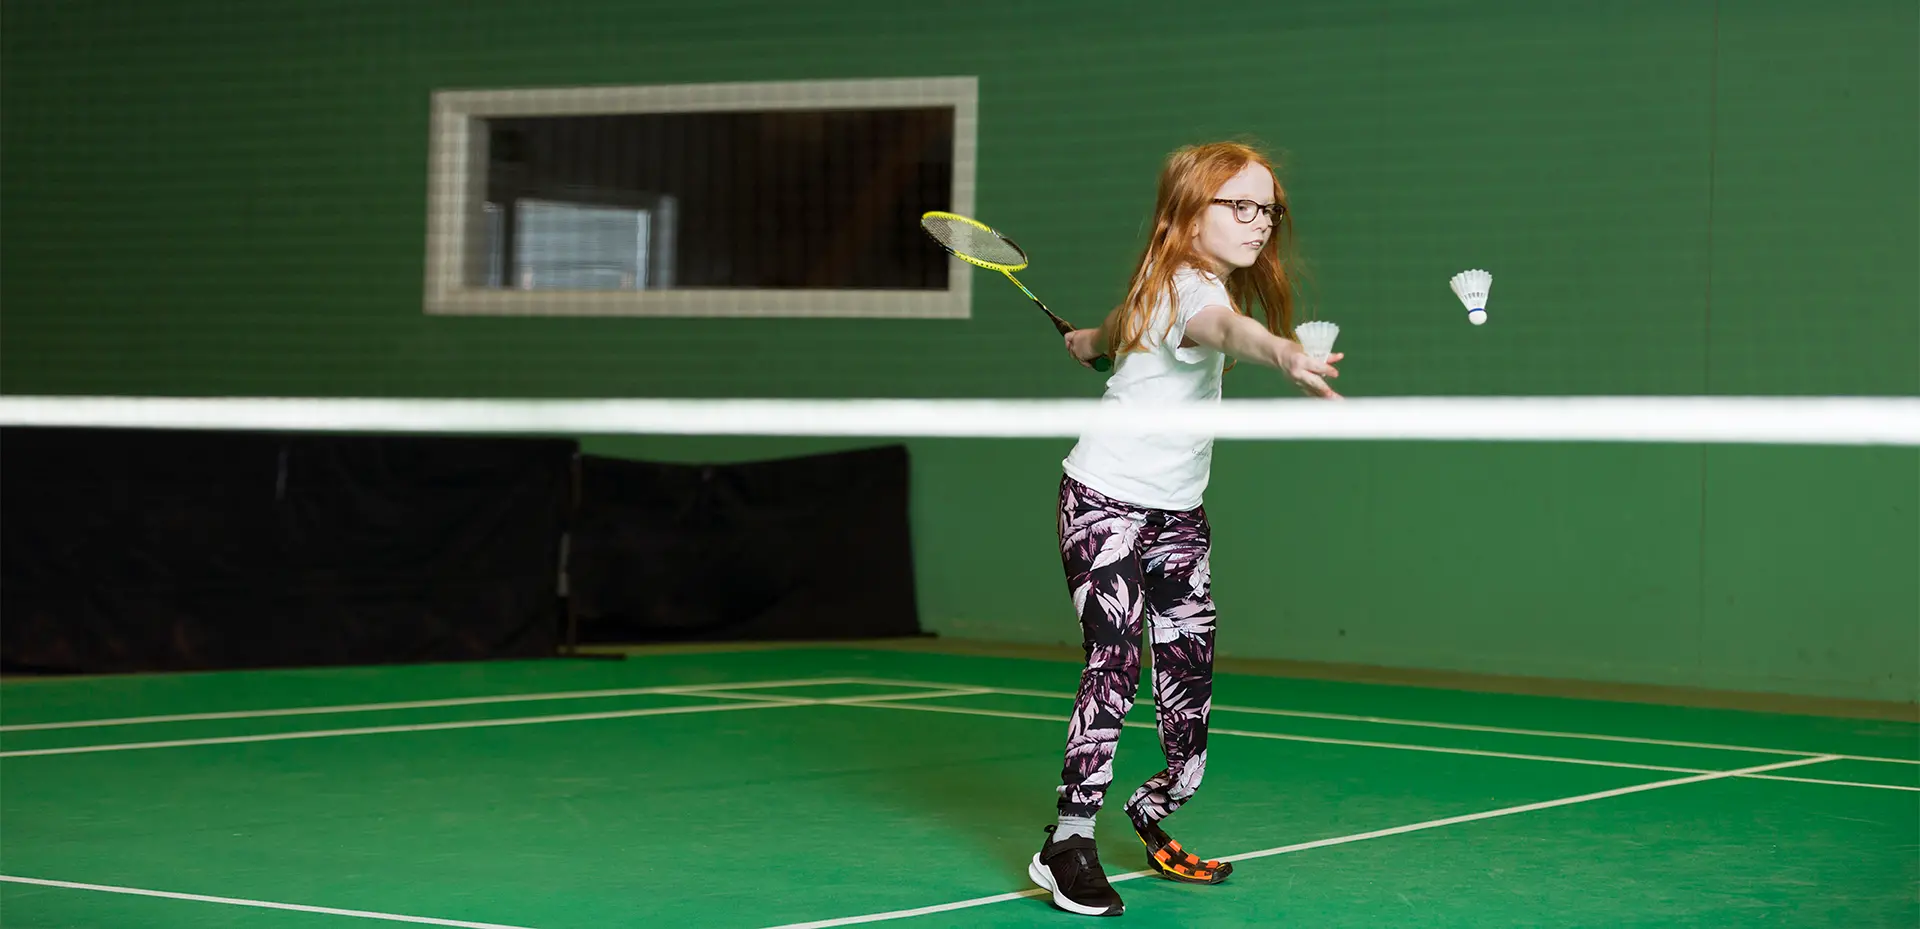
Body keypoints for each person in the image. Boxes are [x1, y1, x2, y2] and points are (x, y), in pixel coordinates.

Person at [1027, 141, 1343, 917]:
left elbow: (1121, 327)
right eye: (1238, 204)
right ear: (1187, 211)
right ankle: (1066, 841)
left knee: (1188, 674)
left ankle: (1152, 808)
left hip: (1178, 513)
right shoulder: (1190, 291)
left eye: (1266, 207)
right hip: (1103, 501)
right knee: (1114, 661)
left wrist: (1089, 344)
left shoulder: (1160, 288)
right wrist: (1280, 350)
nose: (1259, 221)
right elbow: (1226, 331)